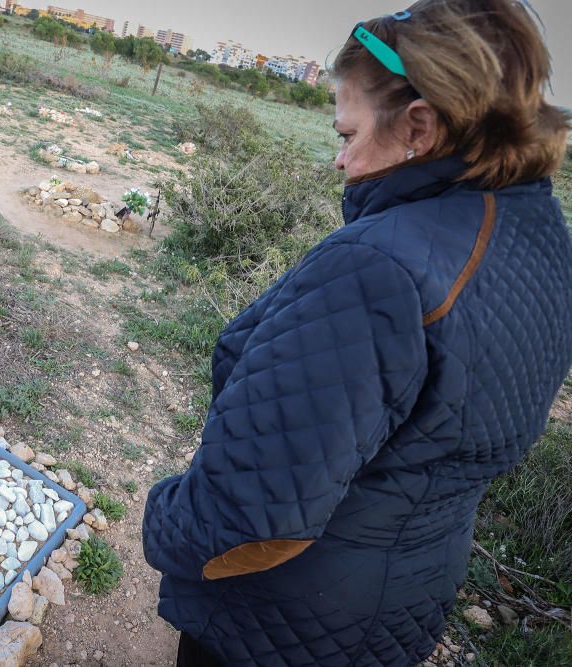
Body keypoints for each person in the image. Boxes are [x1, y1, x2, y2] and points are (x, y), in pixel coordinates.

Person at [142, 1, 572, 665]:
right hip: (403, 602)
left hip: (280, 626)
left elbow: (249, 517)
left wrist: (165, 520)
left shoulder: (375, 271)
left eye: (347, 133)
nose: (340, 160)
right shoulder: (539, 237)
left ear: (419, 126)